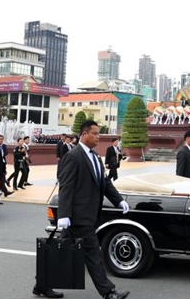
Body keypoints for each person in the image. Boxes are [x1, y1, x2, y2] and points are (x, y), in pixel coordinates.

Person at [33, 120, 130, 299]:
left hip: (88, 215)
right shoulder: (74, 156)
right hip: (79, 217)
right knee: (93, 253)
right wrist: (64, 215)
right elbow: (66, 186)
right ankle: (108, 292)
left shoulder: (95, 157)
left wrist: (118, 201)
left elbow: (105, 183)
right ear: (84, 134)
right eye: (95, 133)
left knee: (60, 253)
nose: (98, 137)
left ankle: (41, 285)